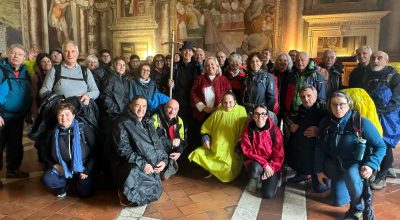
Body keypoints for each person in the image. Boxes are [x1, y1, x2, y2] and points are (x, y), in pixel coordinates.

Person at [314, 91, 386, 219]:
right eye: (334, 104)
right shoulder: (326, 123)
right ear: (329, 106)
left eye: (342, 104)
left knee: (352, 177)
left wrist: (371, 165)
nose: (338, 108)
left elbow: (380, 146)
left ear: (349, 105)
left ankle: (357, 208)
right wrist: (319, 170)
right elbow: (320, 148)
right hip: (335, 165)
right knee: (337, 201)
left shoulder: (361, 123)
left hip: (355, 165)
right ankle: (348, 186)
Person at [110, 96, 168, 206]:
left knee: (154, 192)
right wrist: (143, 164)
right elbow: (124, 150)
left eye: (144, 106)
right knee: (133, 191)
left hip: (150, 163)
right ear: (131, 106)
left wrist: (164, 160)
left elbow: (157, 143)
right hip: (129, 164)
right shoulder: (122, 123)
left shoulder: (148, 121)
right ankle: (123, 191)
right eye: (137, 105)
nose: (141, 109)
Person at [189, 92, 247, 182]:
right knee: (196, 154)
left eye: (230, 102)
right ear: (222, 102)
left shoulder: (241, 112)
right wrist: (206, 139)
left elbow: (244, 132)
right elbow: (205, 129)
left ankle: (212, 170)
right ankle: (210, 170)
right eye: (225, 102)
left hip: (230, 150)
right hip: (214, 148)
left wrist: (238, 148)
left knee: (227, 170)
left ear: (235, 102)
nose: (227, 105)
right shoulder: (217, 112)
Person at [362, 51, 400, 190]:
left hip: (388, 118)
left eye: (379, 58)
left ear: (386, 61)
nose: (375, 61)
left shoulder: (395, 77)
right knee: (369, 143)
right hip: (370, 115)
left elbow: (397, 101)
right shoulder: (367, 75)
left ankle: (382, 175)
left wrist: (378, 111)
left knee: (385, 145)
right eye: (373, 58)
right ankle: (372, 169)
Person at [42, 102, 94, 198]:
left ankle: (76, 182)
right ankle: (63, 186)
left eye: (67, 114)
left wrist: (87, 170)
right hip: (62, 168)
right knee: (48, 179)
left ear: (73, 115)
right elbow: (43, 152)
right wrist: (54, 165)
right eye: (60, 115)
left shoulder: (84, 129)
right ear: (57, 117)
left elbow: (96, 151)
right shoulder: (52, 132)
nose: (64, 118)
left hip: (82, 168)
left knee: (84, 192)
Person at [285, 86, 330, 192]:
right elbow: (291, 119)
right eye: (303, 97)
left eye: (309, 96)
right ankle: (303, 173)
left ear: (315, 96)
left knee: (320, 188)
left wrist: (319, 131)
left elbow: (333, 131)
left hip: (317, 155)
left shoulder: (324, 110)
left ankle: (331, 179)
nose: (306, 99)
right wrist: (292, 124)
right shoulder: (301, 109)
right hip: (302, 151)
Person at [0, 44, 32, 183]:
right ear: (8, 54)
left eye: (19, 54)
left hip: (18, 117)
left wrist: (28, 112)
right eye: (13, 53)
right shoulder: (1, 70)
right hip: (2, 116)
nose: (16, 56)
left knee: (15, 145)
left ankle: (12, 170)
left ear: (24, 57)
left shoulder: (26, 73)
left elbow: (28, 94)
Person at [241, 104, 284, 198]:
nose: (260, 117)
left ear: (267, 115)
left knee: (268, 195)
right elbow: (247, 151)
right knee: (254, 170)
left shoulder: (275, 131)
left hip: (272, 163)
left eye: (263, 114)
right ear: (253, 116)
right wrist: (265, 164)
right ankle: (255, 178)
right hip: (257, 162)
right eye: (257, 114)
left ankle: (274, 177)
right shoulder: (248, 131)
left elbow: (279, 153)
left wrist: (271, 167)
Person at [171, 41, 201, 147]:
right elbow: (172, 84)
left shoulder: (197, 66)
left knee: (193, 124)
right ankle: (180, 146)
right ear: (181, 52)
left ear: (192, 53)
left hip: (193, 101)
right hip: (180, 100)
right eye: (185, 50)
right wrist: (171, 85)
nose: (187, 53)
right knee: (180, 124)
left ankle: (192, 146)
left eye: (189, 51)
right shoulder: (175, 67)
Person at [152, 99, 186, 180]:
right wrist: (170, 142)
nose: (172, 112)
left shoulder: (179, 120)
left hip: (171, 149)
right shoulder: (155, 118)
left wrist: (179, 152)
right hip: (159, 149)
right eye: (170, 108)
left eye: (175, 109)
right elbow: (152, 140)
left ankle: (167, 166)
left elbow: (181, 139)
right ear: (164, 107)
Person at [190, 56, 231, 123]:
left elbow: (229, 94)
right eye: (207, 65)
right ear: (205, 68)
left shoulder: (224, 80)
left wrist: (220, 107)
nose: (210, 66)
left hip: (220, 112)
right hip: (203, 114)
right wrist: (203, 107)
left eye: (212, 64)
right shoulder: (199, 79)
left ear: (217, 66)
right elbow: (193, 93)